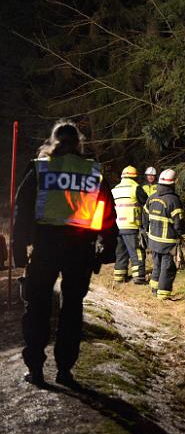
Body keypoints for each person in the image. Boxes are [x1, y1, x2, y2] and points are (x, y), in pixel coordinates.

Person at [12, 120, 118, 388]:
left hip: (46, 245)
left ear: (53, 142)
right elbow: (107, 212)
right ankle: (65, 370)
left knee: (37, 307)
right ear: (79, 144)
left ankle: (35, 368)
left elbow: (22, 209)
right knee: (72, 309)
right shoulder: (92, 172)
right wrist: (107, 248)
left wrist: (19, 251)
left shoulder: (40, 167)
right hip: (80, 248)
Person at [142, 169, 185, 300]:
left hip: (153, 241)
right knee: (168, 268)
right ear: (173, 184)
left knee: (157, 265)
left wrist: (146, 232)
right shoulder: (173, 200)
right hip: (167, 243)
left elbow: (145, 217)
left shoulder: (152, 198)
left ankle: (154, 288)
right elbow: (179, 225)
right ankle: (163, 295)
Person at [111, 165, 148, 284]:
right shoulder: (135, 188)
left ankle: (119, 277)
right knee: (137, 252)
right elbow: (147, 204)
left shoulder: (114, 189)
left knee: (120, 252)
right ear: (135, 177)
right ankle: (139, 278)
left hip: (116, 226)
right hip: (131, 225)